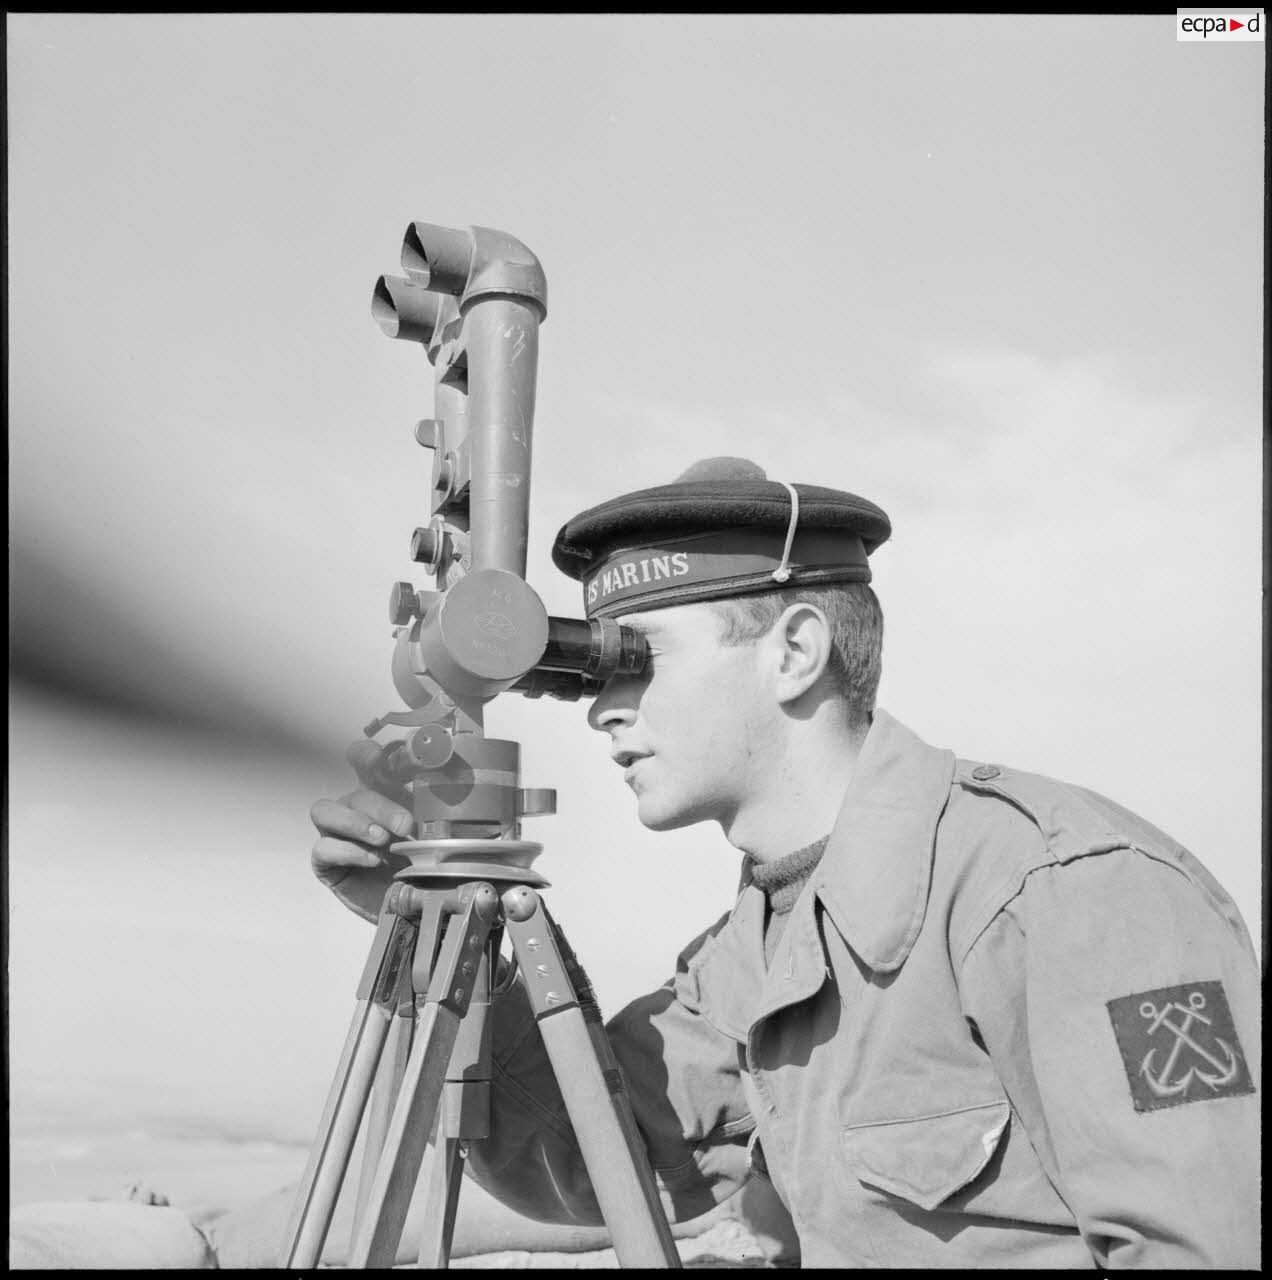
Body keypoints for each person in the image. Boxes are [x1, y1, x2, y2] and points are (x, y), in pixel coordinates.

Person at [310, 456, 1261, 1268]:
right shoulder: (749, 959)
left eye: (633, 659)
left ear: (795, 650)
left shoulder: (1071, 895)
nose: (602, 707)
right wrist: (456, 944)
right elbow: (578, 1160)